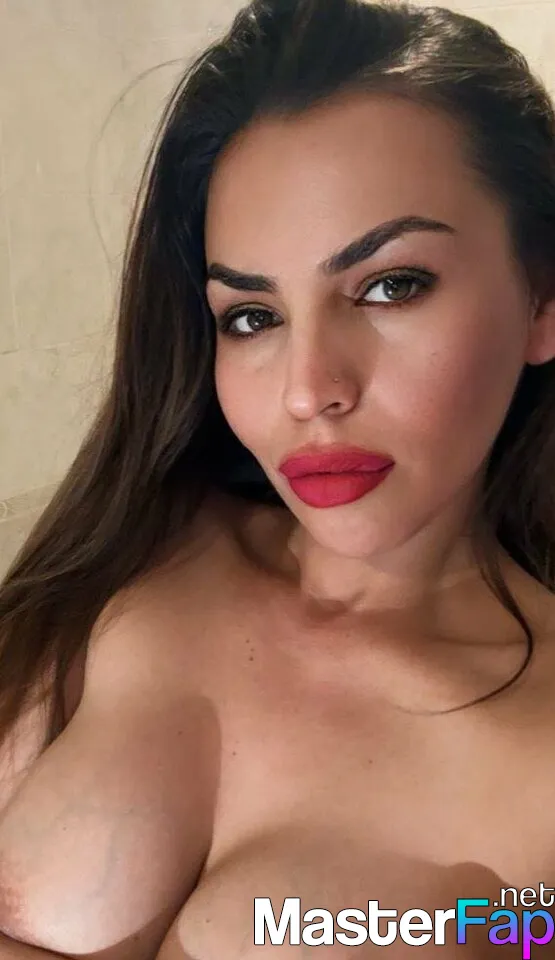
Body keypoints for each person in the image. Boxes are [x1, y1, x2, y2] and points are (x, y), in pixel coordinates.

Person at [1, 0, 555, 956]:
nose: (308, 391)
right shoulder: (132, 547)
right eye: (251, 316)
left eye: (389, 286)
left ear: (541, 301)